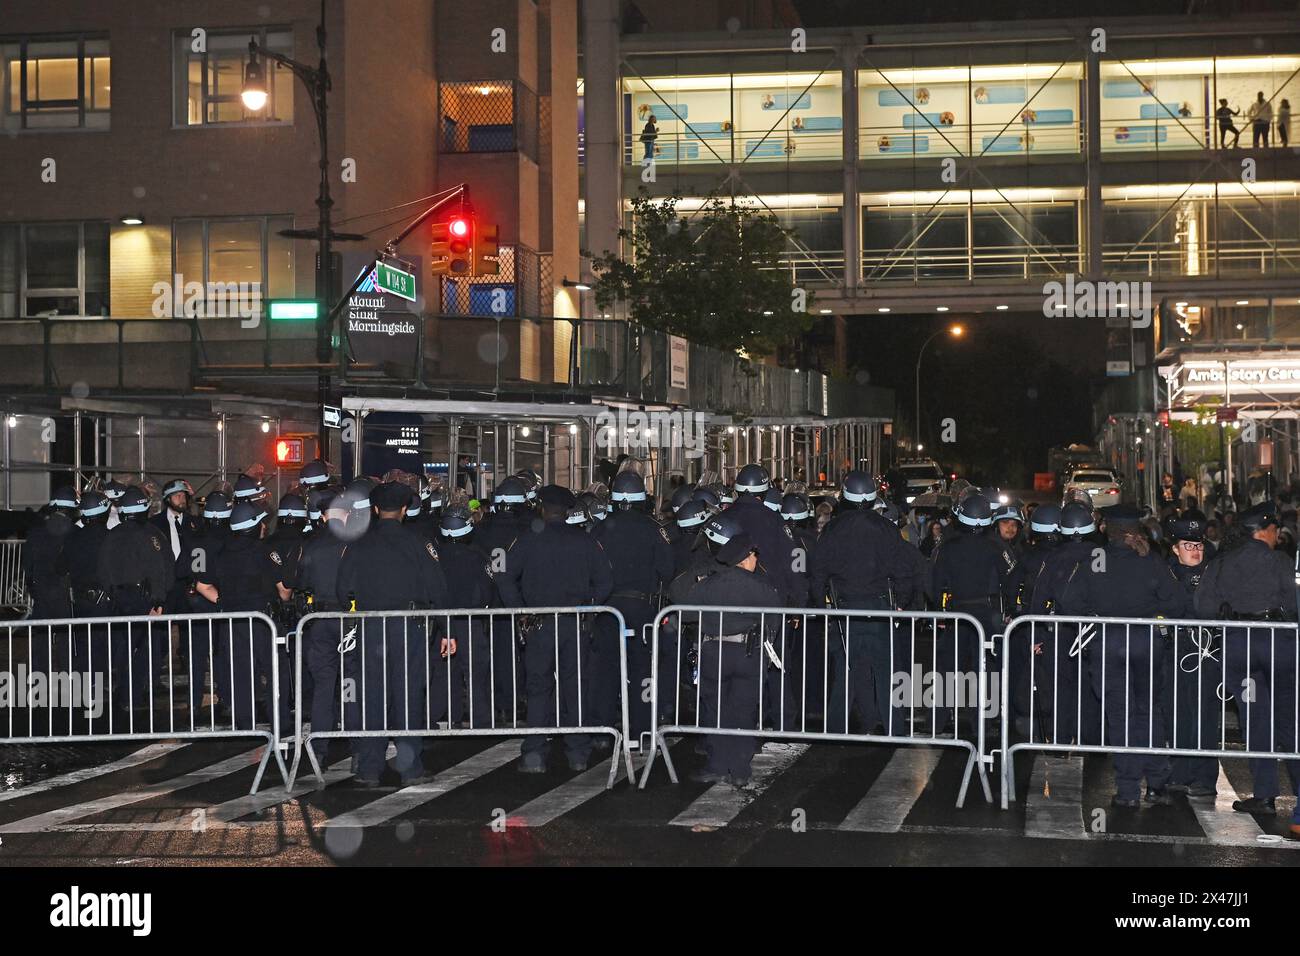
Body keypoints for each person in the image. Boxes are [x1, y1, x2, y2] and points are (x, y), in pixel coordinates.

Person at [336, 481, 450, 786]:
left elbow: (342, 589)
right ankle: (409, 768)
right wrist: (446, 630)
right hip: (409, 626)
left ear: (374, 509)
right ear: (404, 510)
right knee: (408, 695)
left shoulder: (359, 544)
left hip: (372, 626)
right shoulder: (419, 543)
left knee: (373, 696)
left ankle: (370, 769)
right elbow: (439, 590)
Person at [1194, 503, 1299, 829]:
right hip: (1277, 644)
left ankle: (1265, 792)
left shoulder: (1224, 562)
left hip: (1240, 646)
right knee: (1288, 722)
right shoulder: (1280, 561)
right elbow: (1294, 604)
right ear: (1265, 530)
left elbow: (1203, 607)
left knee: (1254, 719)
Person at [496, 486, 614, 773]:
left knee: (538, 687)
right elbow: (606, 581)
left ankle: (535, 754)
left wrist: (520, 610)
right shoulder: (585, 541)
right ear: (567, 511)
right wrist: (589, 607)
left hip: (540, 623)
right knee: (576, 687)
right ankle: (578, 753)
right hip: (575, 623)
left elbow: (504, 577)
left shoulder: (527, 539)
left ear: (542, 509)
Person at [1074, 505, 1183, 808]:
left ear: (1108, 529)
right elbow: (1175, 603)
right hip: (1146, 642)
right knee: (1149, 710)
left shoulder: (1096, 558)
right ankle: (1158, 782)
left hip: (1109, 643)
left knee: (1120, 716)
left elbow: (1071, 600)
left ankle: (1128, 789)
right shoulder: (1151, 560)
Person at [808, 470, 915, 736]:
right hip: (879, 608)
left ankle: (834, 730)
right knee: (886, 673)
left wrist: (821, 609)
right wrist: (901, 603)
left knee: (845, 674)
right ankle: (895, 730)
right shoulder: (887, 529)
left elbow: (817, 572)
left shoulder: (833, 528)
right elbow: (904, 570)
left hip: (845, 609)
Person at [683, 532, 782, 786]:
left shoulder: (709, 584)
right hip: (747, 653)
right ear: (745, 558)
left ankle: (717, 765)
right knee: (743, 711)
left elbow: (687, 612)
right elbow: (775, 617)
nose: (756, 560)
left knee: (716, 710)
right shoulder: (760, 586)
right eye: (754, 555)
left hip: (714, 652)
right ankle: (739, 769)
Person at [594, 472, 674, 744]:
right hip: (642, 607)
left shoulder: (601, 529)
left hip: (607, 608)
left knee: (606, 669)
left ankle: (603, 731)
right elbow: (668, 568)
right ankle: (642, 730)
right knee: (643, 669)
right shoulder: (653, 528)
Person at [193, 500, 285, 730]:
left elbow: (202, 586)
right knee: (275, 672)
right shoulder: (266, 551)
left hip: (233, 622)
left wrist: (224, 602)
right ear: (253, 526)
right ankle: (280, 721)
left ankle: (245, 723)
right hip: (264, 622)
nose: (265, 526)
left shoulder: (221, 553)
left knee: (240, 674)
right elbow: (284, 590)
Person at [1027, 500, 1102, 745]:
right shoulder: (1100, 554)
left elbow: (1039, 596)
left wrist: (1036, 636)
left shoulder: (1055, 557)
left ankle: (1060, 736)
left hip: (1061, 630)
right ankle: (1089, 737)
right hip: (1095, 630)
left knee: (1061, 686)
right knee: (1090, 686)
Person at [930, 489, 1005, 735]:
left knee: (948, 669)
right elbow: (1013, 578)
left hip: (958, 614)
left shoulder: (948, 547)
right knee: (985, 669)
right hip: (987, 613)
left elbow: (934, 582)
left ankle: (938, 721)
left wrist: (939, 610)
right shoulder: (998, 547)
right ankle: (983, 723)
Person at [97, 486, 174, 719]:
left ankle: (125, 694)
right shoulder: (151, 534)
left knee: (124, 648)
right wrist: (159, 600)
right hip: (145, 600)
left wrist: (113, 593)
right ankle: (135, 695)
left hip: (120, 599)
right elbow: (163, 568)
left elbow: (102, 569)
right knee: (143, 649)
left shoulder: (112, 535)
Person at [434, 503, 508, 728]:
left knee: (445, 672)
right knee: (476, 672)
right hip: (470, 620)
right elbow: (488, 588)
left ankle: (449, 715)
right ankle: (481, 719)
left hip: (440, 622)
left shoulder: (434, 555)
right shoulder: (477, 555)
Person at [292, 490, 351, 766]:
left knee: (324, 684)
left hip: (317, 620)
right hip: (348, 619)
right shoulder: (353, 544)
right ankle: (359, 745)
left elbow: (299, 582)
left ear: (322, 516)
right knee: (353, 679)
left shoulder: (310, 544)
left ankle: (319, 748)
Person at [1162, 514, 1219, 798]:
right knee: (1176, 712)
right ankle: (1180, 771)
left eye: (1198, 546)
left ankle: (1205, 778)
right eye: (1188, 546)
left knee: (1205, 713)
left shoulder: (1215, 572)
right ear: (1175, 548)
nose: (1195, 551)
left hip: (1206, 653)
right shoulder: (1165, 572)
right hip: (1174, 650)